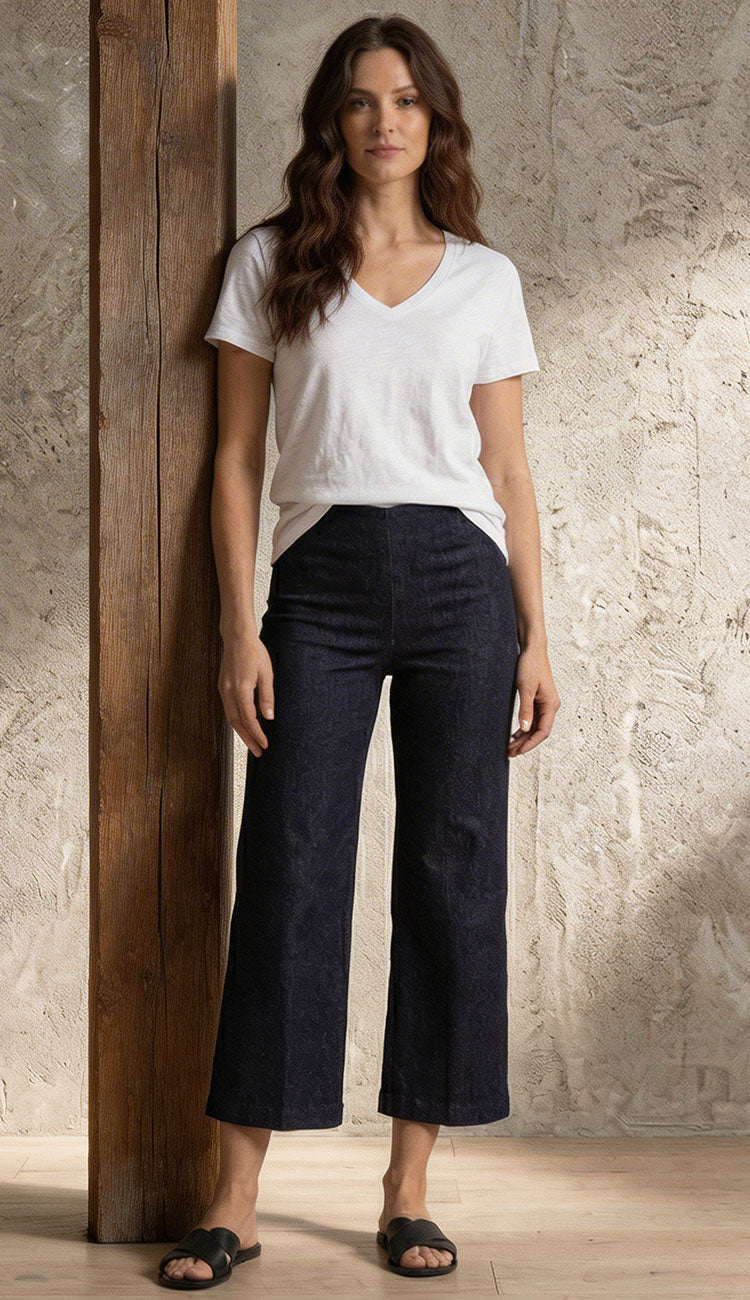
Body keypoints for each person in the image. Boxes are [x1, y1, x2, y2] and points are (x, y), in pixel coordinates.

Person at [158, 13, 560, 1291]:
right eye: (361, 101)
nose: (386, 121)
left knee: (451, 871)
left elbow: (509, 471)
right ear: (333, 121)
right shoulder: (274, 260)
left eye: (407, 101)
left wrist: (538, 635)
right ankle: (234, 1198)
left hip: (460, 584)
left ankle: (409, 1188)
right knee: (289, 866)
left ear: (436, 121)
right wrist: (240, 627)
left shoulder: (483, 278)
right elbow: (235, 461)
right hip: (319, 582)